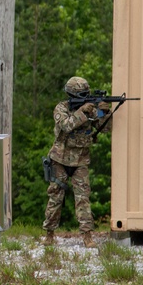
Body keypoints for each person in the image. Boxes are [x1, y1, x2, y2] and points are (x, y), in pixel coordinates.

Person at [42, 76, 112, 248]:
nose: (85, 97)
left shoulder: (90, 109)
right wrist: (83, 111)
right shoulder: (61, 108)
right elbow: (66, 125)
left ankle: (87, 236)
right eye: (82, 94)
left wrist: (104, 112)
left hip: (80, 160)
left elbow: (107, 129)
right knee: (55, 197)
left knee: (83, 198)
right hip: (60, 160)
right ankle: (49, 234)